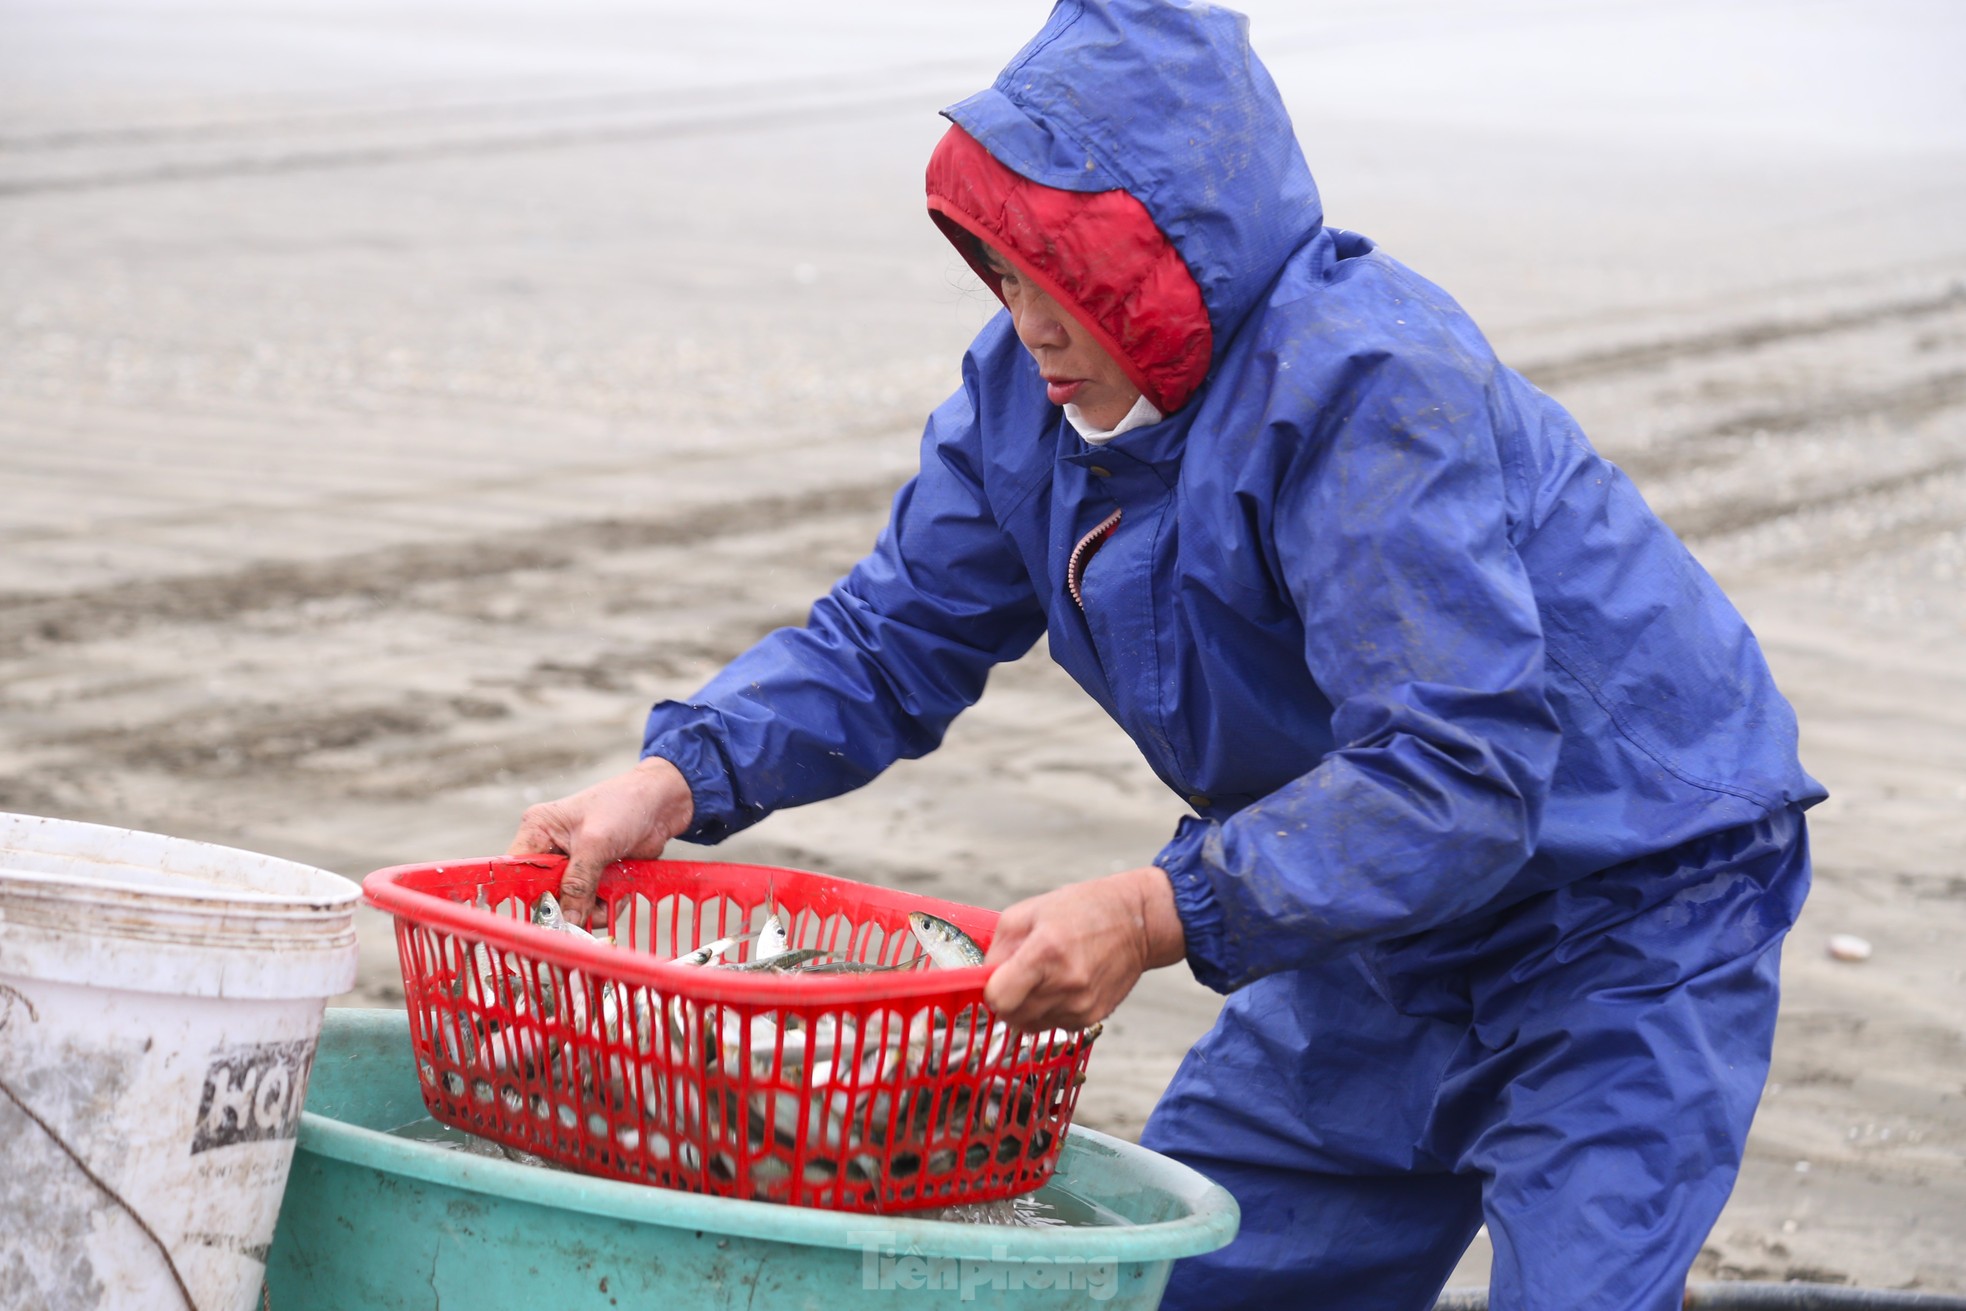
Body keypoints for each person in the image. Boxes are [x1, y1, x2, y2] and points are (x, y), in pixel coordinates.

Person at [507, 2, 1825, 1307]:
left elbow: (1460, 771)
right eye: (1002, 273)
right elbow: (886, 636)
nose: (1028, 322)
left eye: (1062, 276)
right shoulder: (1023, 400)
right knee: (1169, 1286)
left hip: (1627, 901)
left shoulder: (1367, 386)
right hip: (1365, 919)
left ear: (1163, 255)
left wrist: (1152, 914)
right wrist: (679, 775)